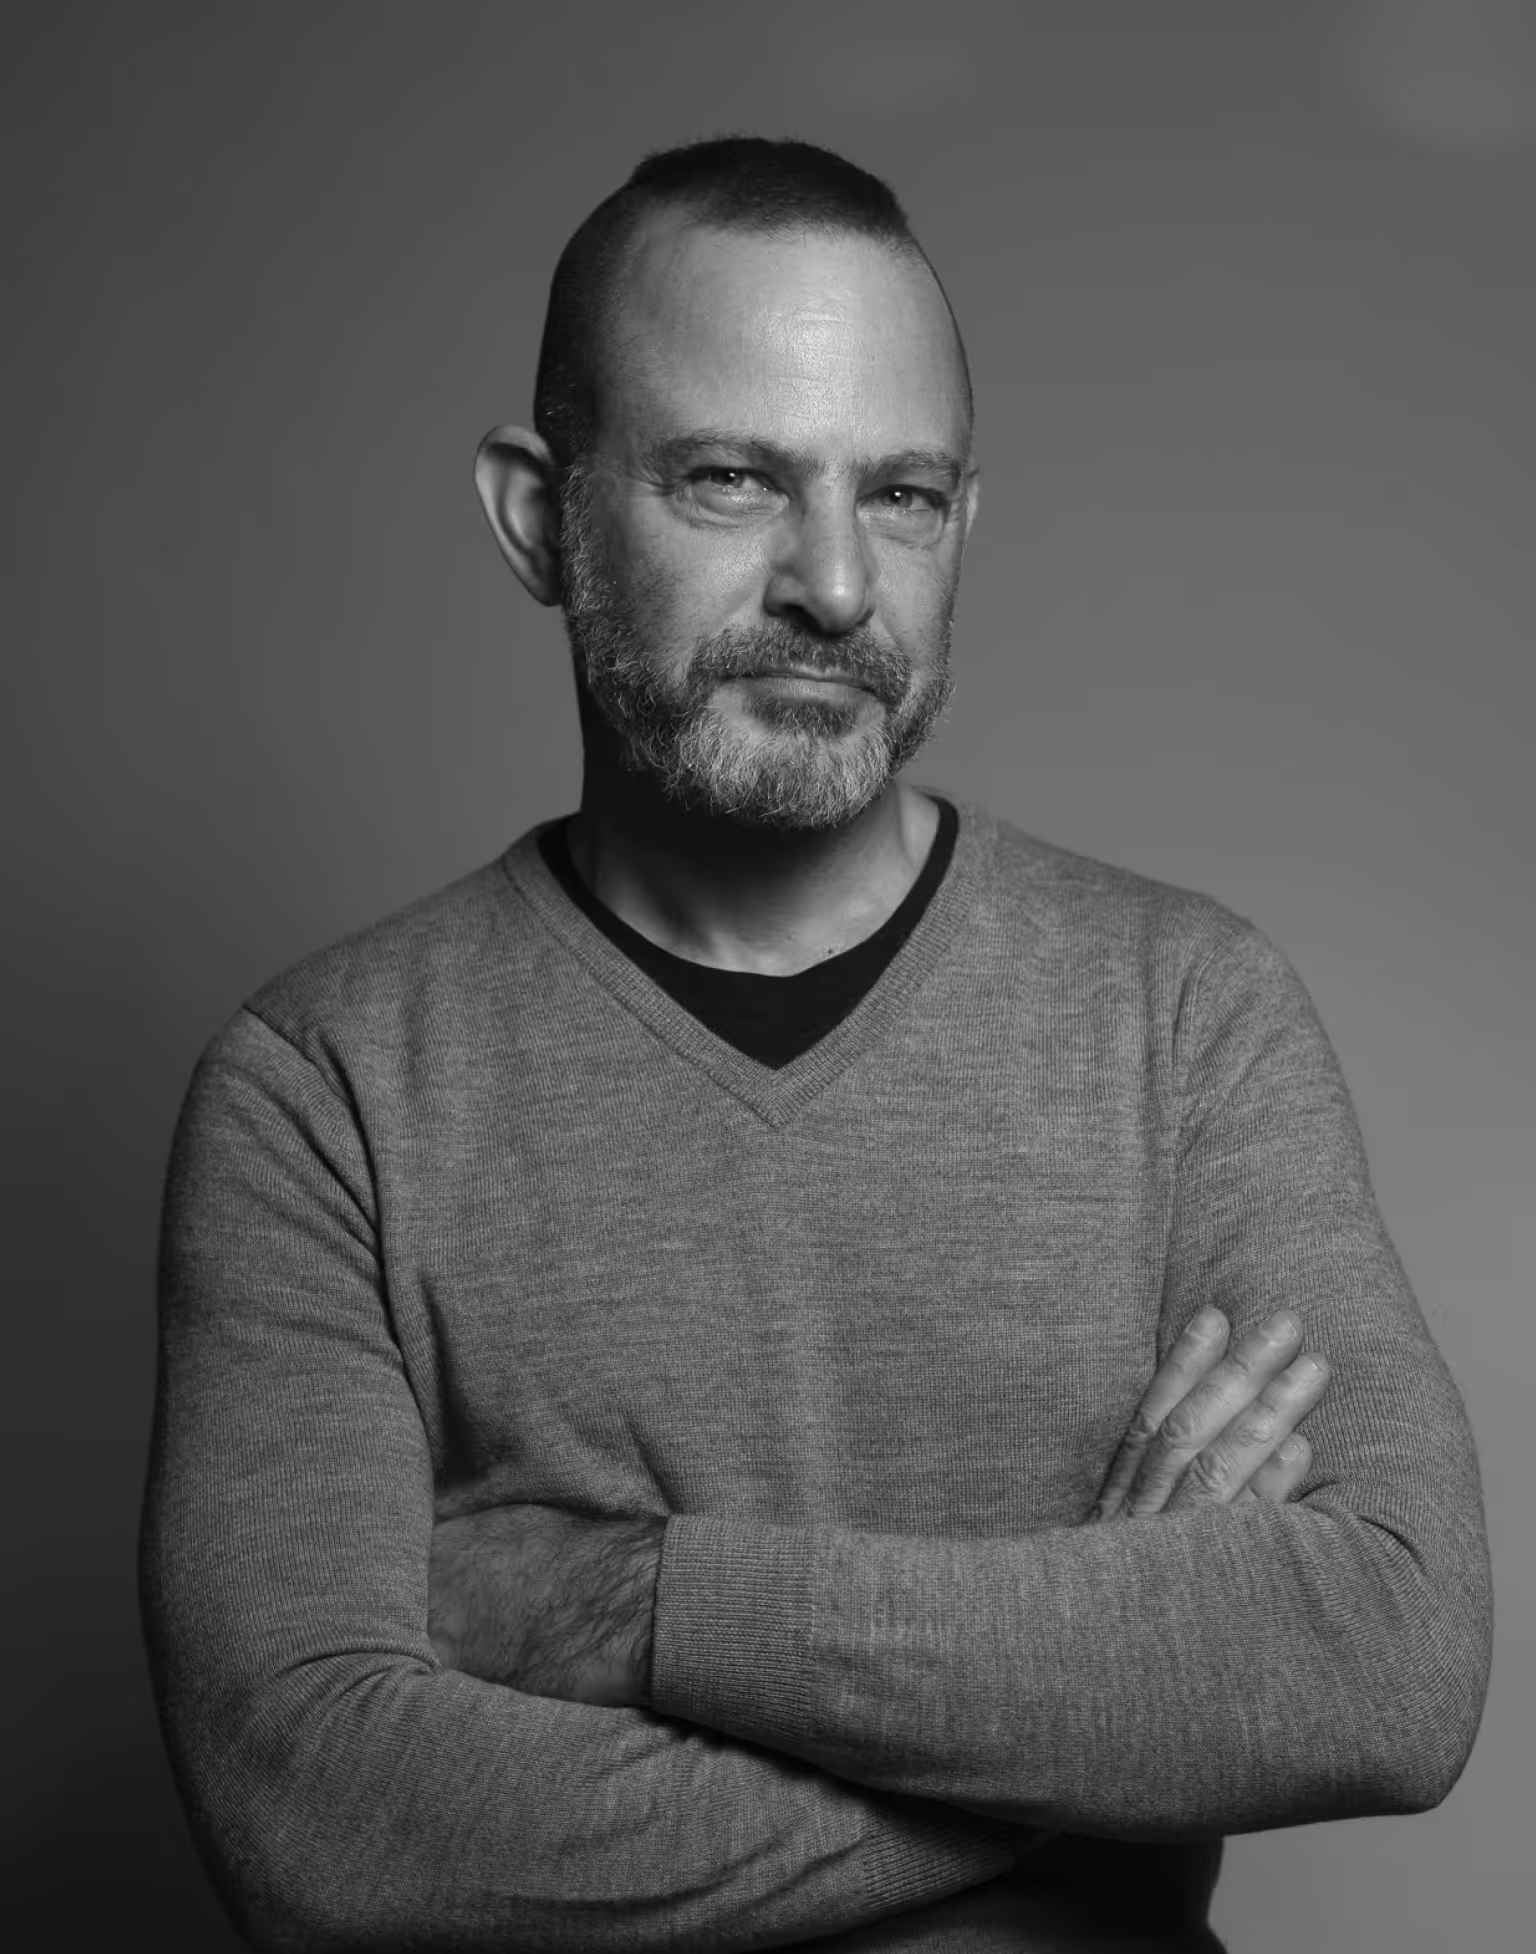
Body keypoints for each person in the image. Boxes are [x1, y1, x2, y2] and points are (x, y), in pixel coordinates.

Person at [141, 138, 1491, 1953]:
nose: (840, 588)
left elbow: (1392, 1663)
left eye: (906, 496)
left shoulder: (1190, 1015)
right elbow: (324, 1828)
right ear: (542, 518)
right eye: (731, 481)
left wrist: (643, 1609)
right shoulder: (322, 1094)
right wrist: (1106, 1742)